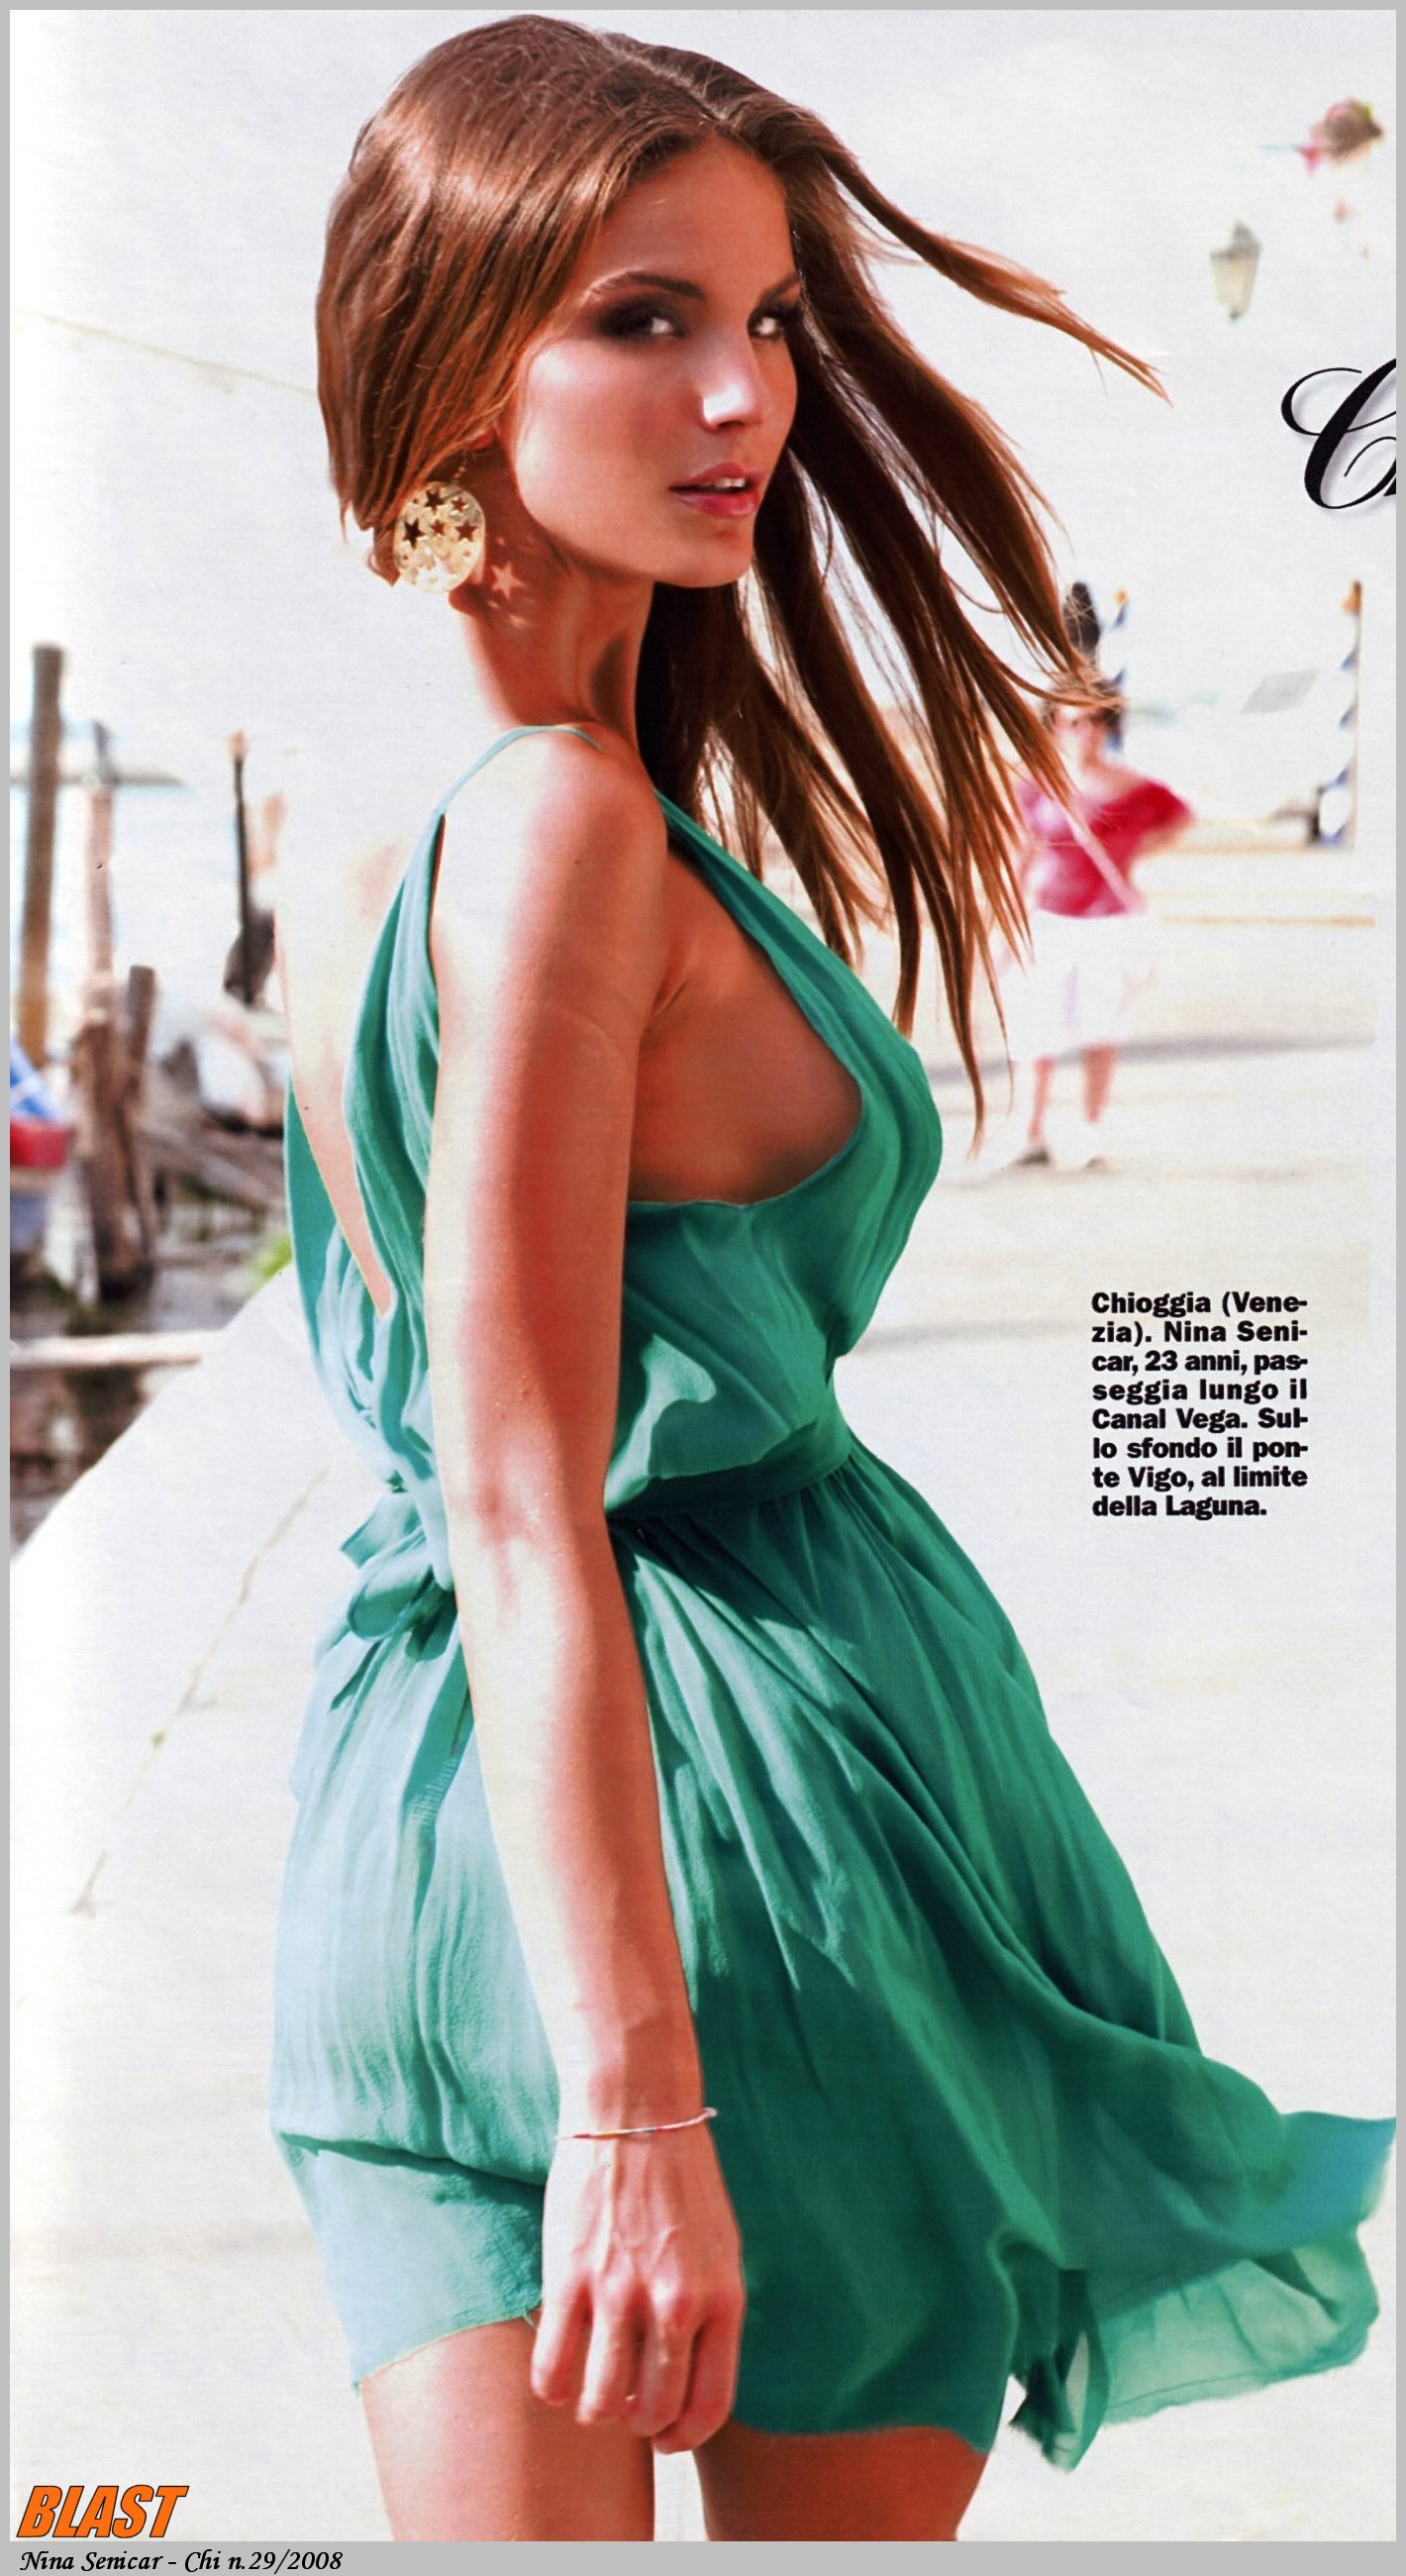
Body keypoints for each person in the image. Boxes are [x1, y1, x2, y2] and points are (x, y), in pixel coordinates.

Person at [269, 17, 1391, 2544]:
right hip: (736, 1864)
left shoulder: (369, 813)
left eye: (765, 319)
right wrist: (631, 2101)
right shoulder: (559, 825)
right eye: (639, 317)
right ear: (448, 358)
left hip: (411, 1827)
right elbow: (528, 1493)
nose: (741, 393)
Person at [992, 688, 1192, 1171]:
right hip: (1050, 916)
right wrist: (1003, 921)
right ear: (1055, 727)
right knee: (1035, 1025)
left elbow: (1179, 818)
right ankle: (1030, 1132)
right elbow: (1022, 853)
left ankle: (1089, 1130)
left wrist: (1136, 850)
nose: (1085, 731)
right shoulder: (1037, 786)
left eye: (1096, 720)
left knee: (1100, 1026)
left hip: (1108, 921)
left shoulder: (1133, 786)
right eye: (1073, 721)